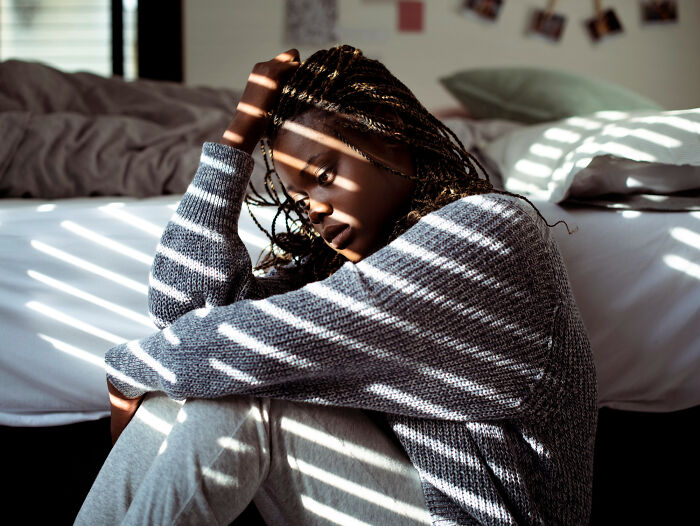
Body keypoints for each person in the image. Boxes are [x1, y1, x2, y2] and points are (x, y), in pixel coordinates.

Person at [76, 45, 597, 525]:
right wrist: (233, 143)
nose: (315, 210)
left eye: (324, 174)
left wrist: (129, 370)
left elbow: (226, 348)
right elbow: (184, 311)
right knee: (194, 389)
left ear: (388, 128)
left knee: (241, 389)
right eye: (300, 199)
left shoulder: (490, 232)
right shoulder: (337, 268)